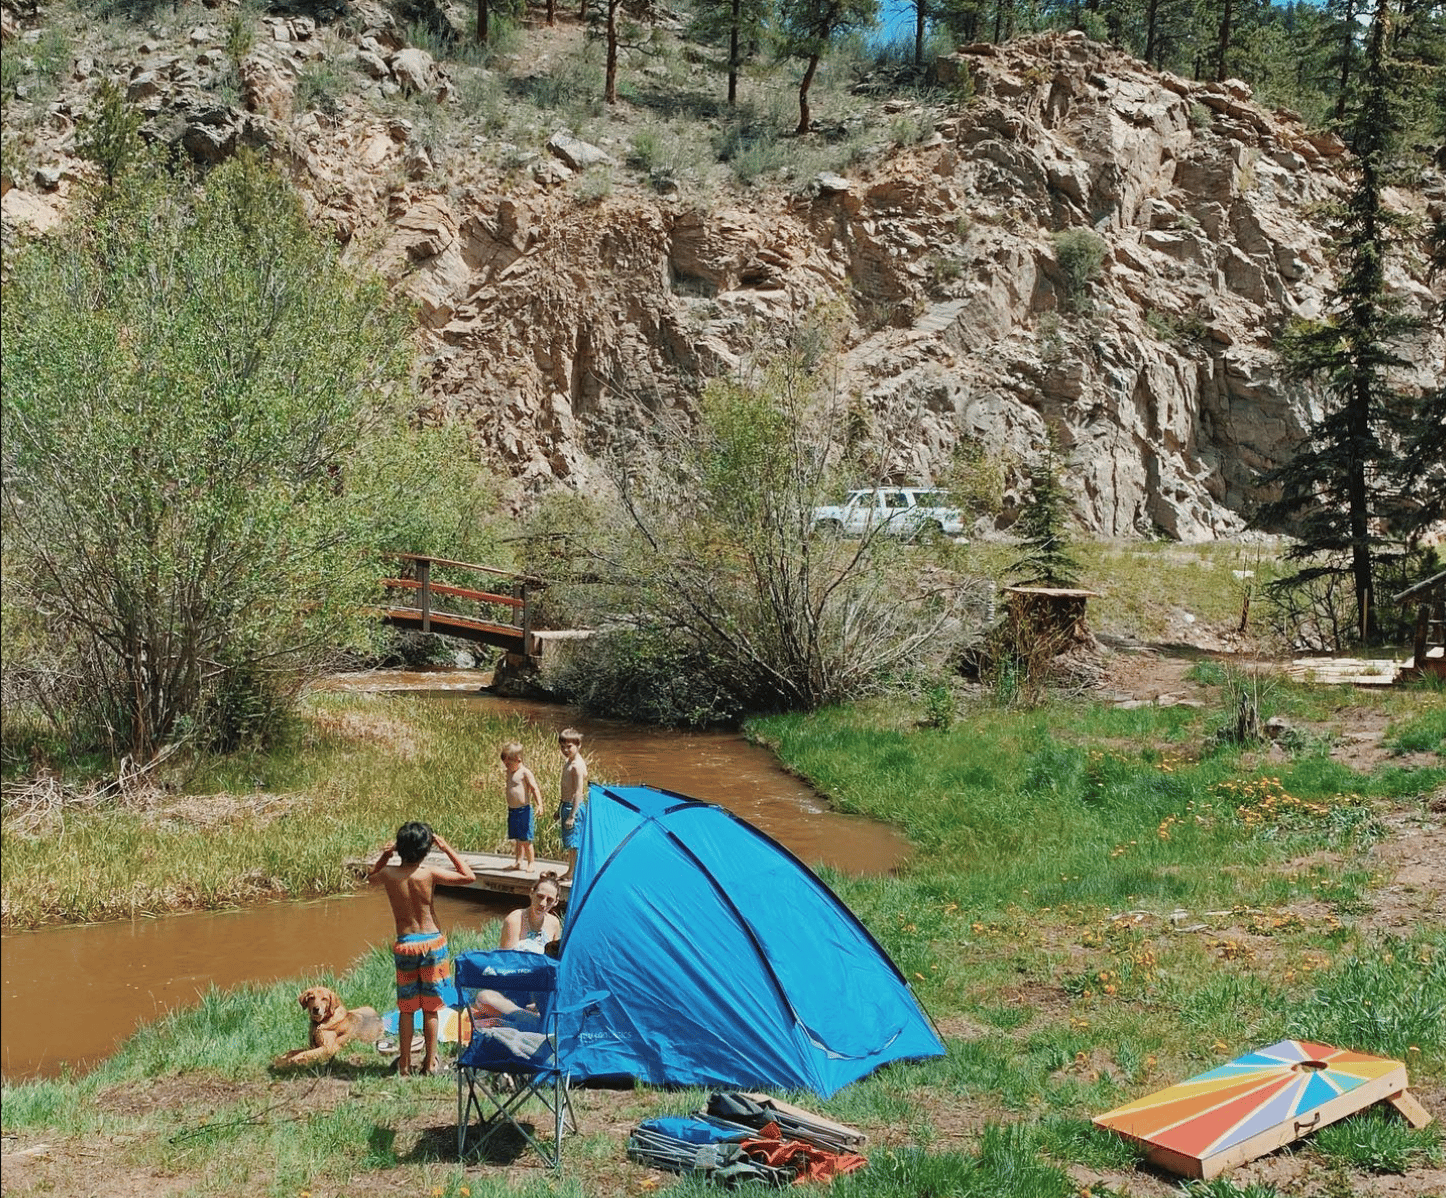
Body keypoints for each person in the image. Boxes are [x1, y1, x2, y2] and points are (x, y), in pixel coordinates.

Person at [367, 821, 476, 1076]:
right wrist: (447, 848)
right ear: (426, 850)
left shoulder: (389, 875)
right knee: (431, 1007)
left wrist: (385, 854)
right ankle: (430, 1063)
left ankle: (404, 1065)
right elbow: (469, 876)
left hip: (405, 945)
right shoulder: (429, 873)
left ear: (400, 847)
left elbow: (370, 878)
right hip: (432, 945)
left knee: (407, 1009)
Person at [500, 741, 541, 871]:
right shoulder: (510, 772)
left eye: (508, 764)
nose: (506, 767)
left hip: (524, 810)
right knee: (517, 839)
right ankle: (518, 861)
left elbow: (534, 788)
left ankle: (531, 862)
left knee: (525, 839)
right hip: (513, 811)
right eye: (505, 764)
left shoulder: (525, 772)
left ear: (518, 760)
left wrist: (539, 804)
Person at [499, 871, 563, 953]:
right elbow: (506, 959)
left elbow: (555, 957)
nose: (543, 903)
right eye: (540, 896)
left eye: (549, 900)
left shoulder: (554, 923)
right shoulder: (514, 920)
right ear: (532, 893)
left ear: (556, 902)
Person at [556, 727, 588, 879]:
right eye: (562, 746)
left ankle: (572, 872)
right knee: (570, 842)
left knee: (574, 843)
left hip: (573, 808)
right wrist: (559, 808)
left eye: (569, 746)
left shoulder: (577, 766)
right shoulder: (568, 762)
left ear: (578, 745)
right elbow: (565, 788)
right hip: (566, 805)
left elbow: (578, 792)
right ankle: (573, 870)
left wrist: (572, 816)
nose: (565, 750)